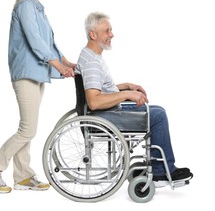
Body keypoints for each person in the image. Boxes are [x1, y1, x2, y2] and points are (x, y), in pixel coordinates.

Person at [0, 0, 75, 193]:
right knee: (27, 130)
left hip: (37, 73)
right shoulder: (24, 7)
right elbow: (35, 42)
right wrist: (58, 66)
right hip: (26, 73)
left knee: (27, 127)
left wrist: (67, 62)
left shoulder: (38, 9)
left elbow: (49, 43)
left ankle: (22, 176)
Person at [75, 11, 193, 188]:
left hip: (106, 111)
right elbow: (94, 101)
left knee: (157, 110)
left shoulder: (91, 55)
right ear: (93, 34)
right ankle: (161, 172)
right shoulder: (92, 62)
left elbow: (101, 88)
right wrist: (126, 95)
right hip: (102, 115)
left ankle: (160, 166)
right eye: (107, 31)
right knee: (158, 115)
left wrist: (125, 86)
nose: (112, 34)